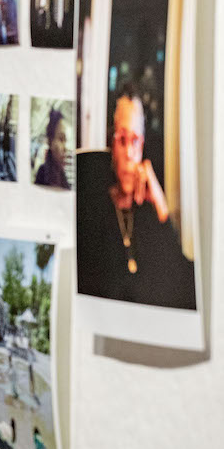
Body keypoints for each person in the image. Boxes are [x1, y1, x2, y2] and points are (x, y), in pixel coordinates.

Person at [76, 93, 196, 308]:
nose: (130, 153)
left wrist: (161, 207)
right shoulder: (95, 205)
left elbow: (184, 287)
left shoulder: (148, 214)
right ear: (112, 145)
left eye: (136, 141)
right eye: (122, 140)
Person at [34, 107, 71, 189]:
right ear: (50, 142)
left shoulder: (61, 174)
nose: (65, 148)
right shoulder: (43, 174)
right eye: (61, 139)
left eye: (65, 140)